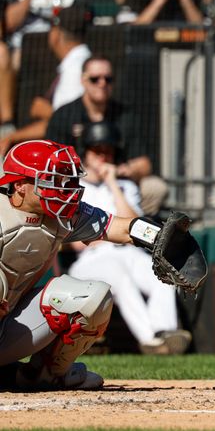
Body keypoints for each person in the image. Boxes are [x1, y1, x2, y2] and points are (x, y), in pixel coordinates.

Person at [0, 139, 175, 389]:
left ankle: (46, 374)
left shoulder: (63, 215)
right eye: (52, 181)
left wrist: (160, 238)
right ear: (19, 185)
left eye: (64, 180)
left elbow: (118, 227)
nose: (63, 189)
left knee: (93, 297)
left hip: (8, 328)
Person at [66, 121, 191, 355]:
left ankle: (166, 332)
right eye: (97, 150)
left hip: (128, 251)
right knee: (120, 277)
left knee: (162, 272)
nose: (103, 156)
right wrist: (114, 236)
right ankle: (150, 340)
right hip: (92, 258)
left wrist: (113, 183)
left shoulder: (124, 186)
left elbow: (137, 228)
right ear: (86, 153)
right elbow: (79, 241)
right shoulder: (75, 185)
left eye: (107, 150)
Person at [45, 55, 167, 216]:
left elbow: (144, 164)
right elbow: (51, 162)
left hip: (119, 181)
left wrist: (118, 171)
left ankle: (141, 231)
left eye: (108, 79)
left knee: (156, 187)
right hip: (76, 182)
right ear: (83, 80)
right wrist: (86, 172)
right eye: (95, 79)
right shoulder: (65, 115)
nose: (102, 84)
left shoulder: (125, 115)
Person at [0, 0, 78, 134]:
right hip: (22, 44)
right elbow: (6, 24)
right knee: (7, 57)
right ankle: (7, 124)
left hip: (57, 42)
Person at [0, 5, 92, 157]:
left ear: (55, 34)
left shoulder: (76, 70)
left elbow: (68, 122)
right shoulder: (78, 61)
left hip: (69, 156)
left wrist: (46, 111)